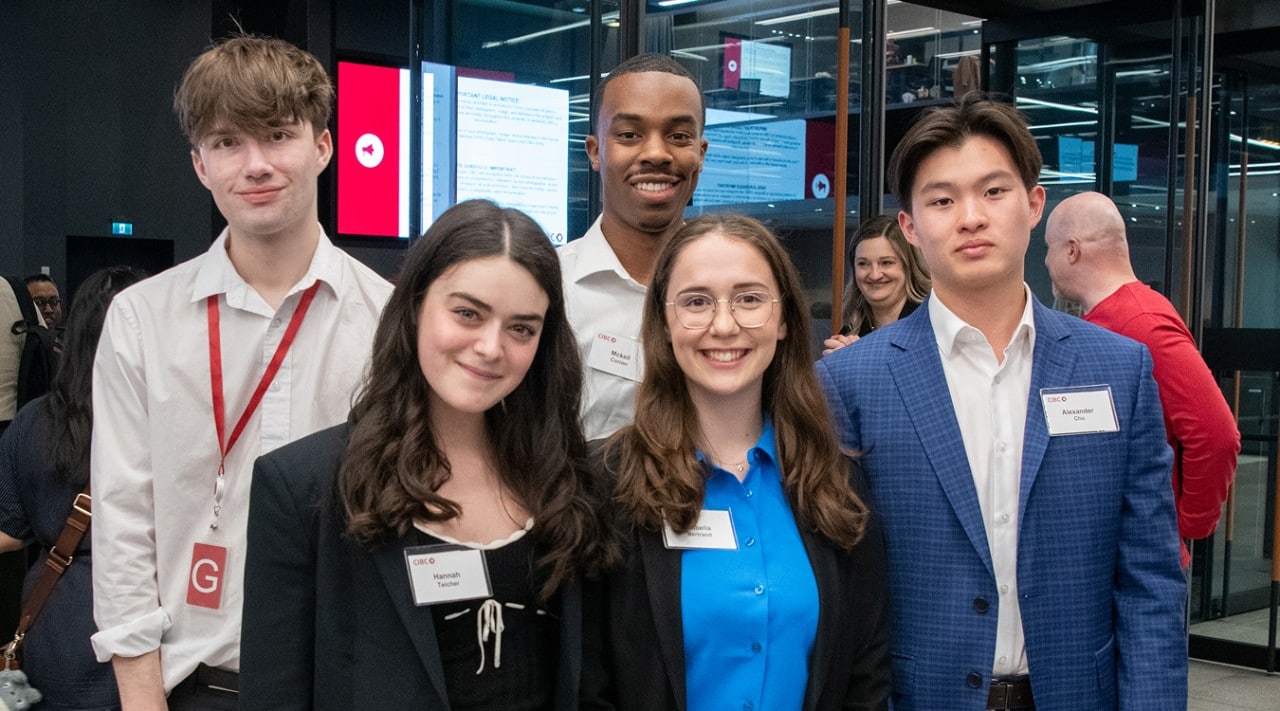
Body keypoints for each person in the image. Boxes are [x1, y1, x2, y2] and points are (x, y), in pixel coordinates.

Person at [817, 94, 1187, 710]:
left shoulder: (1119, 369)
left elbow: (1150, 580)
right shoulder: (850, 381)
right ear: (909, 226)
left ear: (1035, 204)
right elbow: (840, 592)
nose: (970, 217)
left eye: (994, 192)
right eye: (941, 199)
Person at [89, 35, 392, 708]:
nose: (255, 165)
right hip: (196, 686)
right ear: (200, 165)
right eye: (227, 143)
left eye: (278, 135)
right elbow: (122, 522)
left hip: (345, 681)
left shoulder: (391, 320)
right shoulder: (142, 320)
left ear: (323, 146)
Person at [240, 199, 616, 709]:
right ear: (415, 305)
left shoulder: (568, 482)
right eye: (467, 313)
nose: (490, 347)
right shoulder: (302, 488)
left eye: (521, 328)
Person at [585, 214, 891, 711]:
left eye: (749, 299)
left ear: (785, 319)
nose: (723, 325)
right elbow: (589, 684)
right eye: (696, 301)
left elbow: (865, 674)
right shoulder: (607, 485)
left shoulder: (839, 486)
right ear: (664, 321)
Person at [1044, 190, 1240, 570]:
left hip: (1139, 553)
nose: (1047, 262)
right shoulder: (1112, 318)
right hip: (1107, 546)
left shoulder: (1140, 322)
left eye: (1049, 249)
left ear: (1071, 250)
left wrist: (1183, 526)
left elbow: (1216, 434)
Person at [1, 266, 145, 710]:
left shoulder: (33, 421)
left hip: (55, 619)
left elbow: (8, 532)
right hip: (145, 621)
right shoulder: (172, 421)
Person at [559, 53, 708, 441]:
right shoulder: (548, 290)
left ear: (701, 154)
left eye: (678, 136)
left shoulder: (737, 292)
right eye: (629, 135)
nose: (657, 154)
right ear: (594, 151)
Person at [822, 215, 930, 355]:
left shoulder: (929, 323)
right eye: (863, 264)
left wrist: (858, 359)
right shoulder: (850, 332)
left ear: (908, 266)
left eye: (886, 262)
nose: (874, 274)